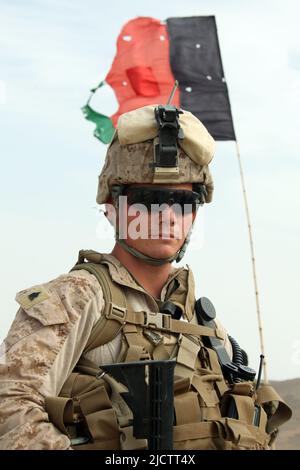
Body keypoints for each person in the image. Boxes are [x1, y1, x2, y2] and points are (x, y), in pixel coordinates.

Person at [0, 104, 291, 450]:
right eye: (149, 199)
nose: (166, 215)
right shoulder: (78, 297)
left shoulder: (205, 322)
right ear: (112, 206)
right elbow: (10, 407)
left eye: (181, 201)